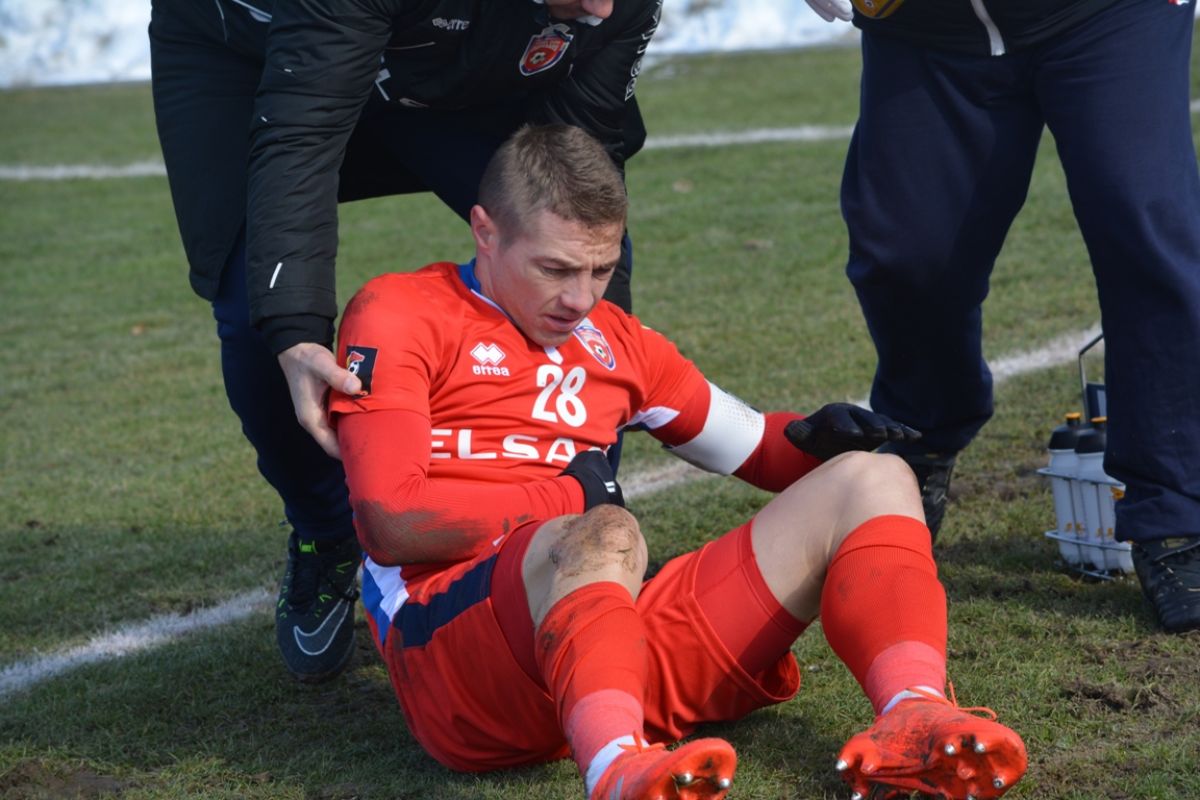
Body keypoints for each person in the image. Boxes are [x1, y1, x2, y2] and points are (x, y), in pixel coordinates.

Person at [327, 124, 1027, 799]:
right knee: (603, 530)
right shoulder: (402, 311)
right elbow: (391, 523)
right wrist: (567, 499)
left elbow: (754, 448)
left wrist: (813, 440)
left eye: (601, 269)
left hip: (603, 644)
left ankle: (914, 714)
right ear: (485, 231)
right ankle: (617, 772)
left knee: (876, 479)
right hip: (459, 668)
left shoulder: (616, 340)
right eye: (555, 269)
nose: (580, 299)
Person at [148, 0, 661, 682]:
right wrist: (293, 326)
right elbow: (303, 132)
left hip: (451, 61)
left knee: (567, 246)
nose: (602, 6)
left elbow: (583, 155)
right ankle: (326, 531)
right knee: (256, 312)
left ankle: (565, 528)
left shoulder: (614, 4)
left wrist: (599, 387)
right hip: (255, 58)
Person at [802, 0, 1200, 633]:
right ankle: (922, 441)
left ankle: (1175, 515)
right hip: (925, 25)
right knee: (906, 252)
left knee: (1146, 227)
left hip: (1108, 13)